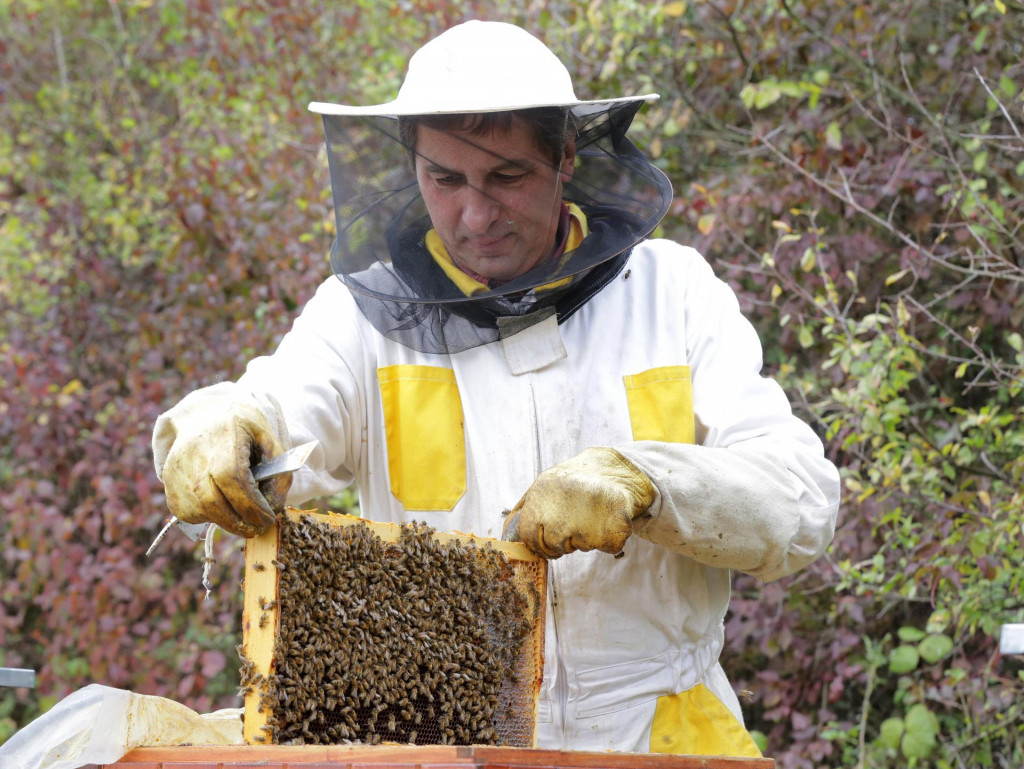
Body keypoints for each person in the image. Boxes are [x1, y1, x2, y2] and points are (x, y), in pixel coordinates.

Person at [152, 20, 839, 756]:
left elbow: (800, 499)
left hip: (659, 729)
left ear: (566, 155)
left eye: (507, 176)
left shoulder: (670, 293)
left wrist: (650, 484)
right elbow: (275, 404)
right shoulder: (361, 319)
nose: (474, 215)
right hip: (449, 740)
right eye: (444, 179)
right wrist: (214, 425)